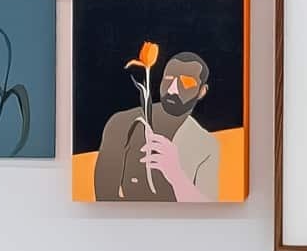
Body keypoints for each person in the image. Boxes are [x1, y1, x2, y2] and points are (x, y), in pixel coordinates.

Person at [90, 46, 219, 203]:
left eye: (186, 82)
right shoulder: (122, 124)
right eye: (168, 79)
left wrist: (176, 174)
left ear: (202, 91)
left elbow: (207, 205)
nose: (172, 90)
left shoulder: (206, 145)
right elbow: (104, 199)